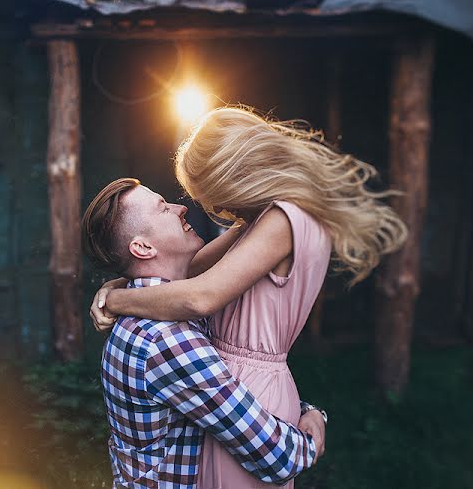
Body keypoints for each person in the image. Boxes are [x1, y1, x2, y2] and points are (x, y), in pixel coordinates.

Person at [92, 107, 407, 488]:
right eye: (169, 206)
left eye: (211, 196)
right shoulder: (262, 222)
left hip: (245, 403)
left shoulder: (280, 219)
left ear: (231, 174)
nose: (210, 209)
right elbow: (195, 282)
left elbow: (200, 293)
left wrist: (117, 298)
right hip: (243, 406)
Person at [82, 178, 327, 489]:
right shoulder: (169, 341)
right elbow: (279, 457)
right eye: (163, 208)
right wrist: (313, 422)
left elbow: (218, 396)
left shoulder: (146, 318)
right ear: (142, 247)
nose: (181, 207)